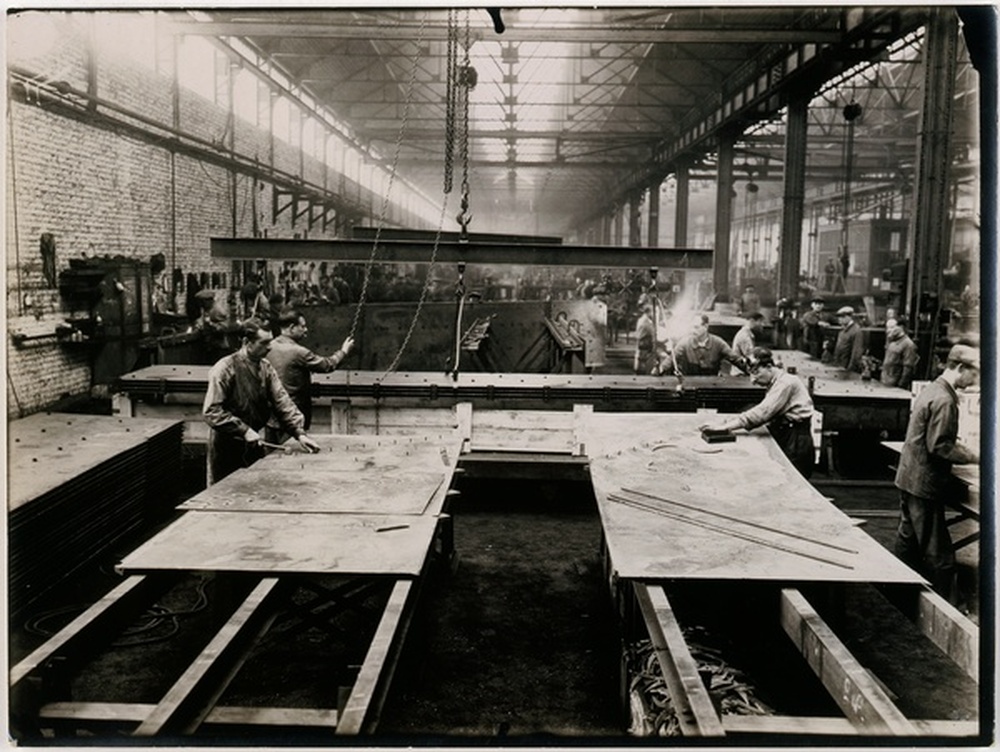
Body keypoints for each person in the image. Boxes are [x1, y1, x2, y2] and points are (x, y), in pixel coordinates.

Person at [893, 344, 980, 600]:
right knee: (938, 551)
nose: (975, 380)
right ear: (961, 368)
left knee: (908, 540)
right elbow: (940, 446)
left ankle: (896, 593)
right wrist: (976, 455)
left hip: (909, 477)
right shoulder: (945, 400)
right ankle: (949, 607)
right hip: (924, 483)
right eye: (973, 373)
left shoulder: (933, 389)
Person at [203, 317, 320, 485]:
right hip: (226, 446)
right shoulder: (224, 369)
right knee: (224, 495)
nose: (270, 347)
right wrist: (243, 430)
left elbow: (282, 401)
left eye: (270, 341)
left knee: (253, 490)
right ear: (246, 342)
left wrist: (299, 433)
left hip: (254, 442)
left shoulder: (265, 368)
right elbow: (212, 411)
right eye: (264, 343)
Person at [700, 347, 815, 478]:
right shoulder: (777, 382)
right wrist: (726, 422)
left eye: (756, 372)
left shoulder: (786, 383)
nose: (752, 380)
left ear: (769, 366)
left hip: (795, 442)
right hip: (787, 435)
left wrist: (723, 427)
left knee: (792, 483)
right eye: (750, 374)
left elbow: (762, 413)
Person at [265, 308, 354, 429]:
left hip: (271, 417)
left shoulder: (268, 348)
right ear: (292, 328)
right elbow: (327, 365)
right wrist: (344, 351)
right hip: (292, 418)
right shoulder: (299, 352)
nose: (306, 330)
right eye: (303, 326)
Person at [673, 313, 744, 376]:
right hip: (690, 385)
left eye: (696, 327)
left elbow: (735, 359)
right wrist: (661, 369)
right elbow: (670, 360)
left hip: (712, 386)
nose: (692, 331)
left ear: (706, 326)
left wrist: (751, 371)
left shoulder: (718, 343)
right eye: (691, 327)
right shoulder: (685, 343)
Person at [880, 318, 919, 389]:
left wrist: (900, 387)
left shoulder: (908, 344)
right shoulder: (891, 342)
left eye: (892, 327)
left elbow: (908, 368)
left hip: (895, 386)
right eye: (887, 328)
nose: (888, 330)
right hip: (885, 383)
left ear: (901, 328)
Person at [832, 305, 865, 372]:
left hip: (846, 369)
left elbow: (856, 354)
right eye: (839, 317)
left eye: (842, 317)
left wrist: (850, 370)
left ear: (849, 317)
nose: (840, 319)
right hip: (839, 366)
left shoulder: (856, 331)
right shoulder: (843, 330)